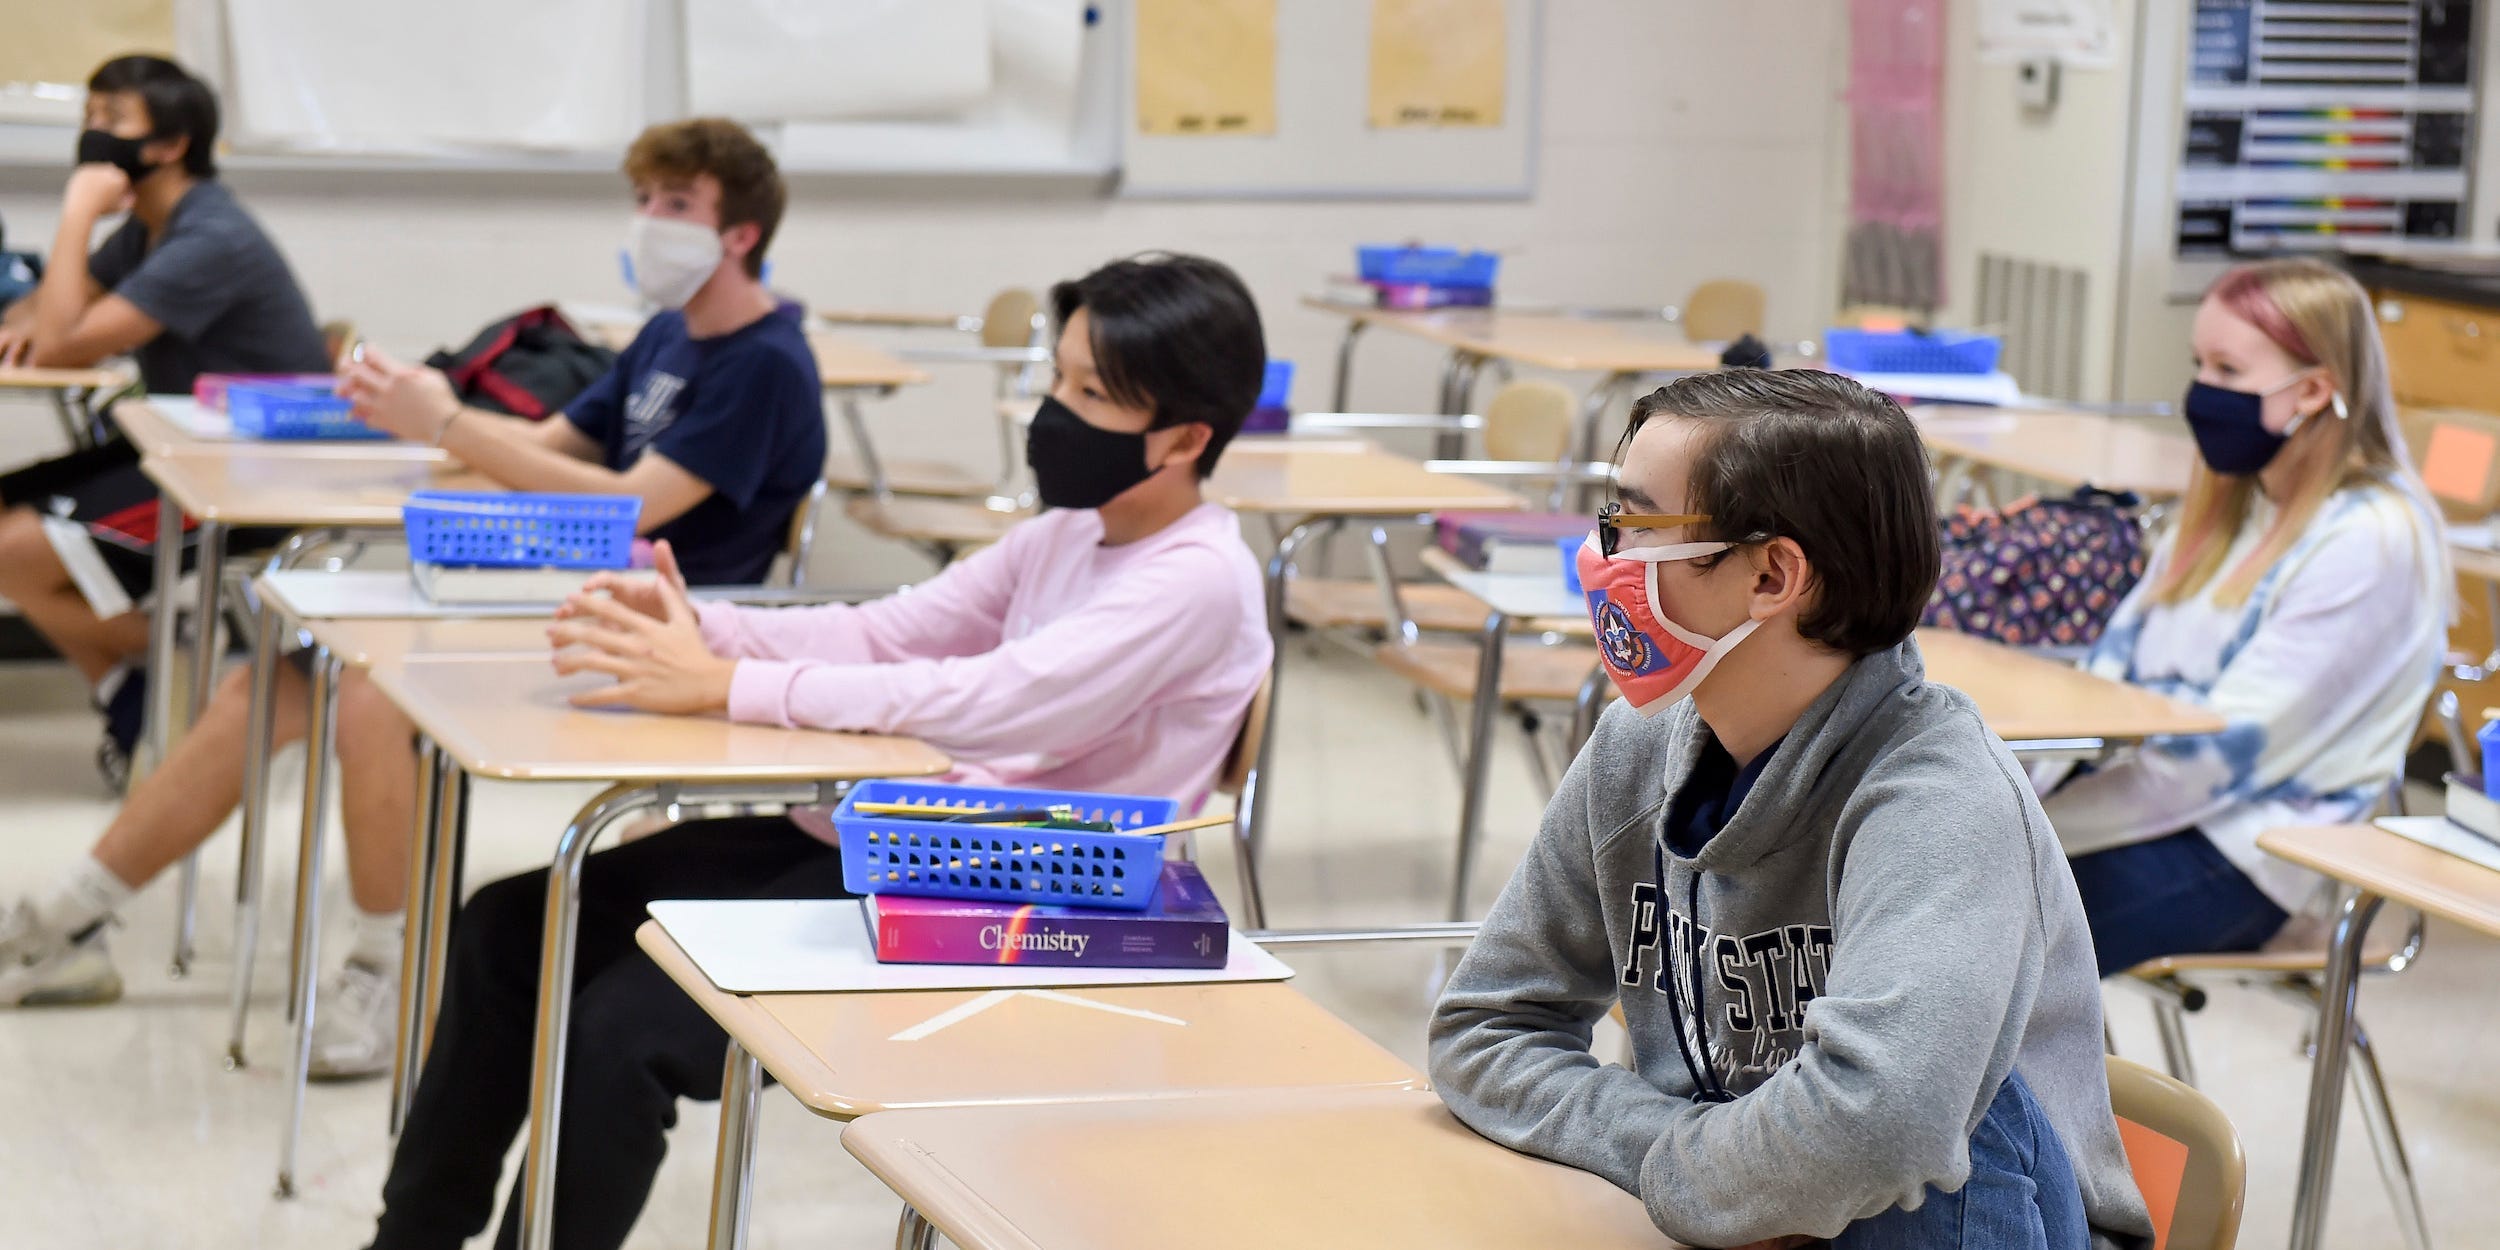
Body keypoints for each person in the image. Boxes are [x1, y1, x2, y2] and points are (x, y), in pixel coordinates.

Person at [359, 251, 1272, 1250]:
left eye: (1088, 392)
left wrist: (724, 683)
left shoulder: (1196, 579)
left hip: (1010, 906)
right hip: (903, 849)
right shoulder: (1067, 531)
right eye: (1056, 375)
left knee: (619, 1033)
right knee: (513, 920)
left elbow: (987, 702)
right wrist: (703, 631)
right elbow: (892, 629)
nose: (1050, 410)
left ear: (1185, 436)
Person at [0, 118, 828, 1084]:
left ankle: (384, 972)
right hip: (558, 587)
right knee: (267, 683)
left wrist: (451, 424)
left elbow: (635, 502)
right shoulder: (666, 334)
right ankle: (63, 923)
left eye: (677, 207)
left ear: (740, 234)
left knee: (369, 691)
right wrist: (423, 409)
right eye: (645, 202)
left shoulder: (767, 361)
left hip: (655, 631)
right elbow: (555, 446)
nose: (651, 222)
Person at [1429, 371, 2153, 1249]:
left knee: (1943, 1121)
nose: (1601, 557)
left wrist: (1692, 1170)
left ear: (1772, 574)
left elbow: (1879, 1131)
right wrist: (1686, 1156)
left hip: (1977, 1223)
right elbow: (1487, 1025)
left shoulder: (1941, 800)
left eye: (1633, 525)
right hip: (1726, 1216)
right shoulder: (1636, 750)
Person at [2039, 258, 2445, 976]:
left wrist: (2033, 826)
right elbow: (2112, 668)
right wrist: (2021, 797)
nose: (2202, 391)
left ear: (2315, 390)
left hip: (2252, 857)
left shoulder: (2370, 537)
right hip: (2147, 806)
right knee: (1915, 888)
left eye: (2228, 369)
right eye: (2200, 364)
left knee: (1963, 931)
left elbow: (2217, 756)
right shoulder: (2238, 499)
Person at [0, 54, 331, 783]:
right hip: (179, 442)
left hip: (250, 472)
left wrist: (78, 208)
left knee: (12, 553)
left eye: (111, 121)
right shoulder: (153, 226)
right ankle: (133, 689)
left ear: (169, 144)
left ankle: (178, 659)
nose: (93, 136)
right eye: (88, 118)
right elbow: (43, 314)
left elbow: (59, 341)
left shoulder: (209, 238)